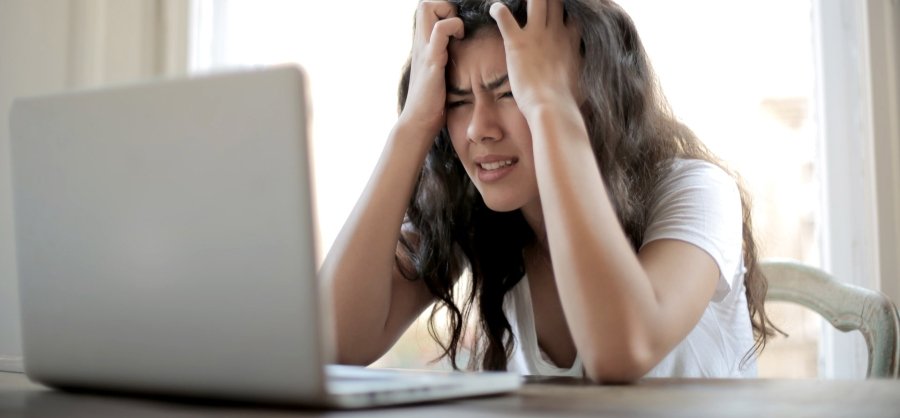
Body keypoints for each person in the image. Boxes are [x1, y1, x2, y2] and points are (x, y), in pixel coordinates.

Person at [320, 0, 777, 382]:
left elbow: (621, 350)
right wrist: (412, 125)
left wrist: (551, 106)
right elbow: (331, 341)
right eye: (457, 102)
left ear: (589, 91)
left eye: (512, 92)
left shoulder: (698, 190)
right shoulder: (478, 214)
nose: (479, 128)